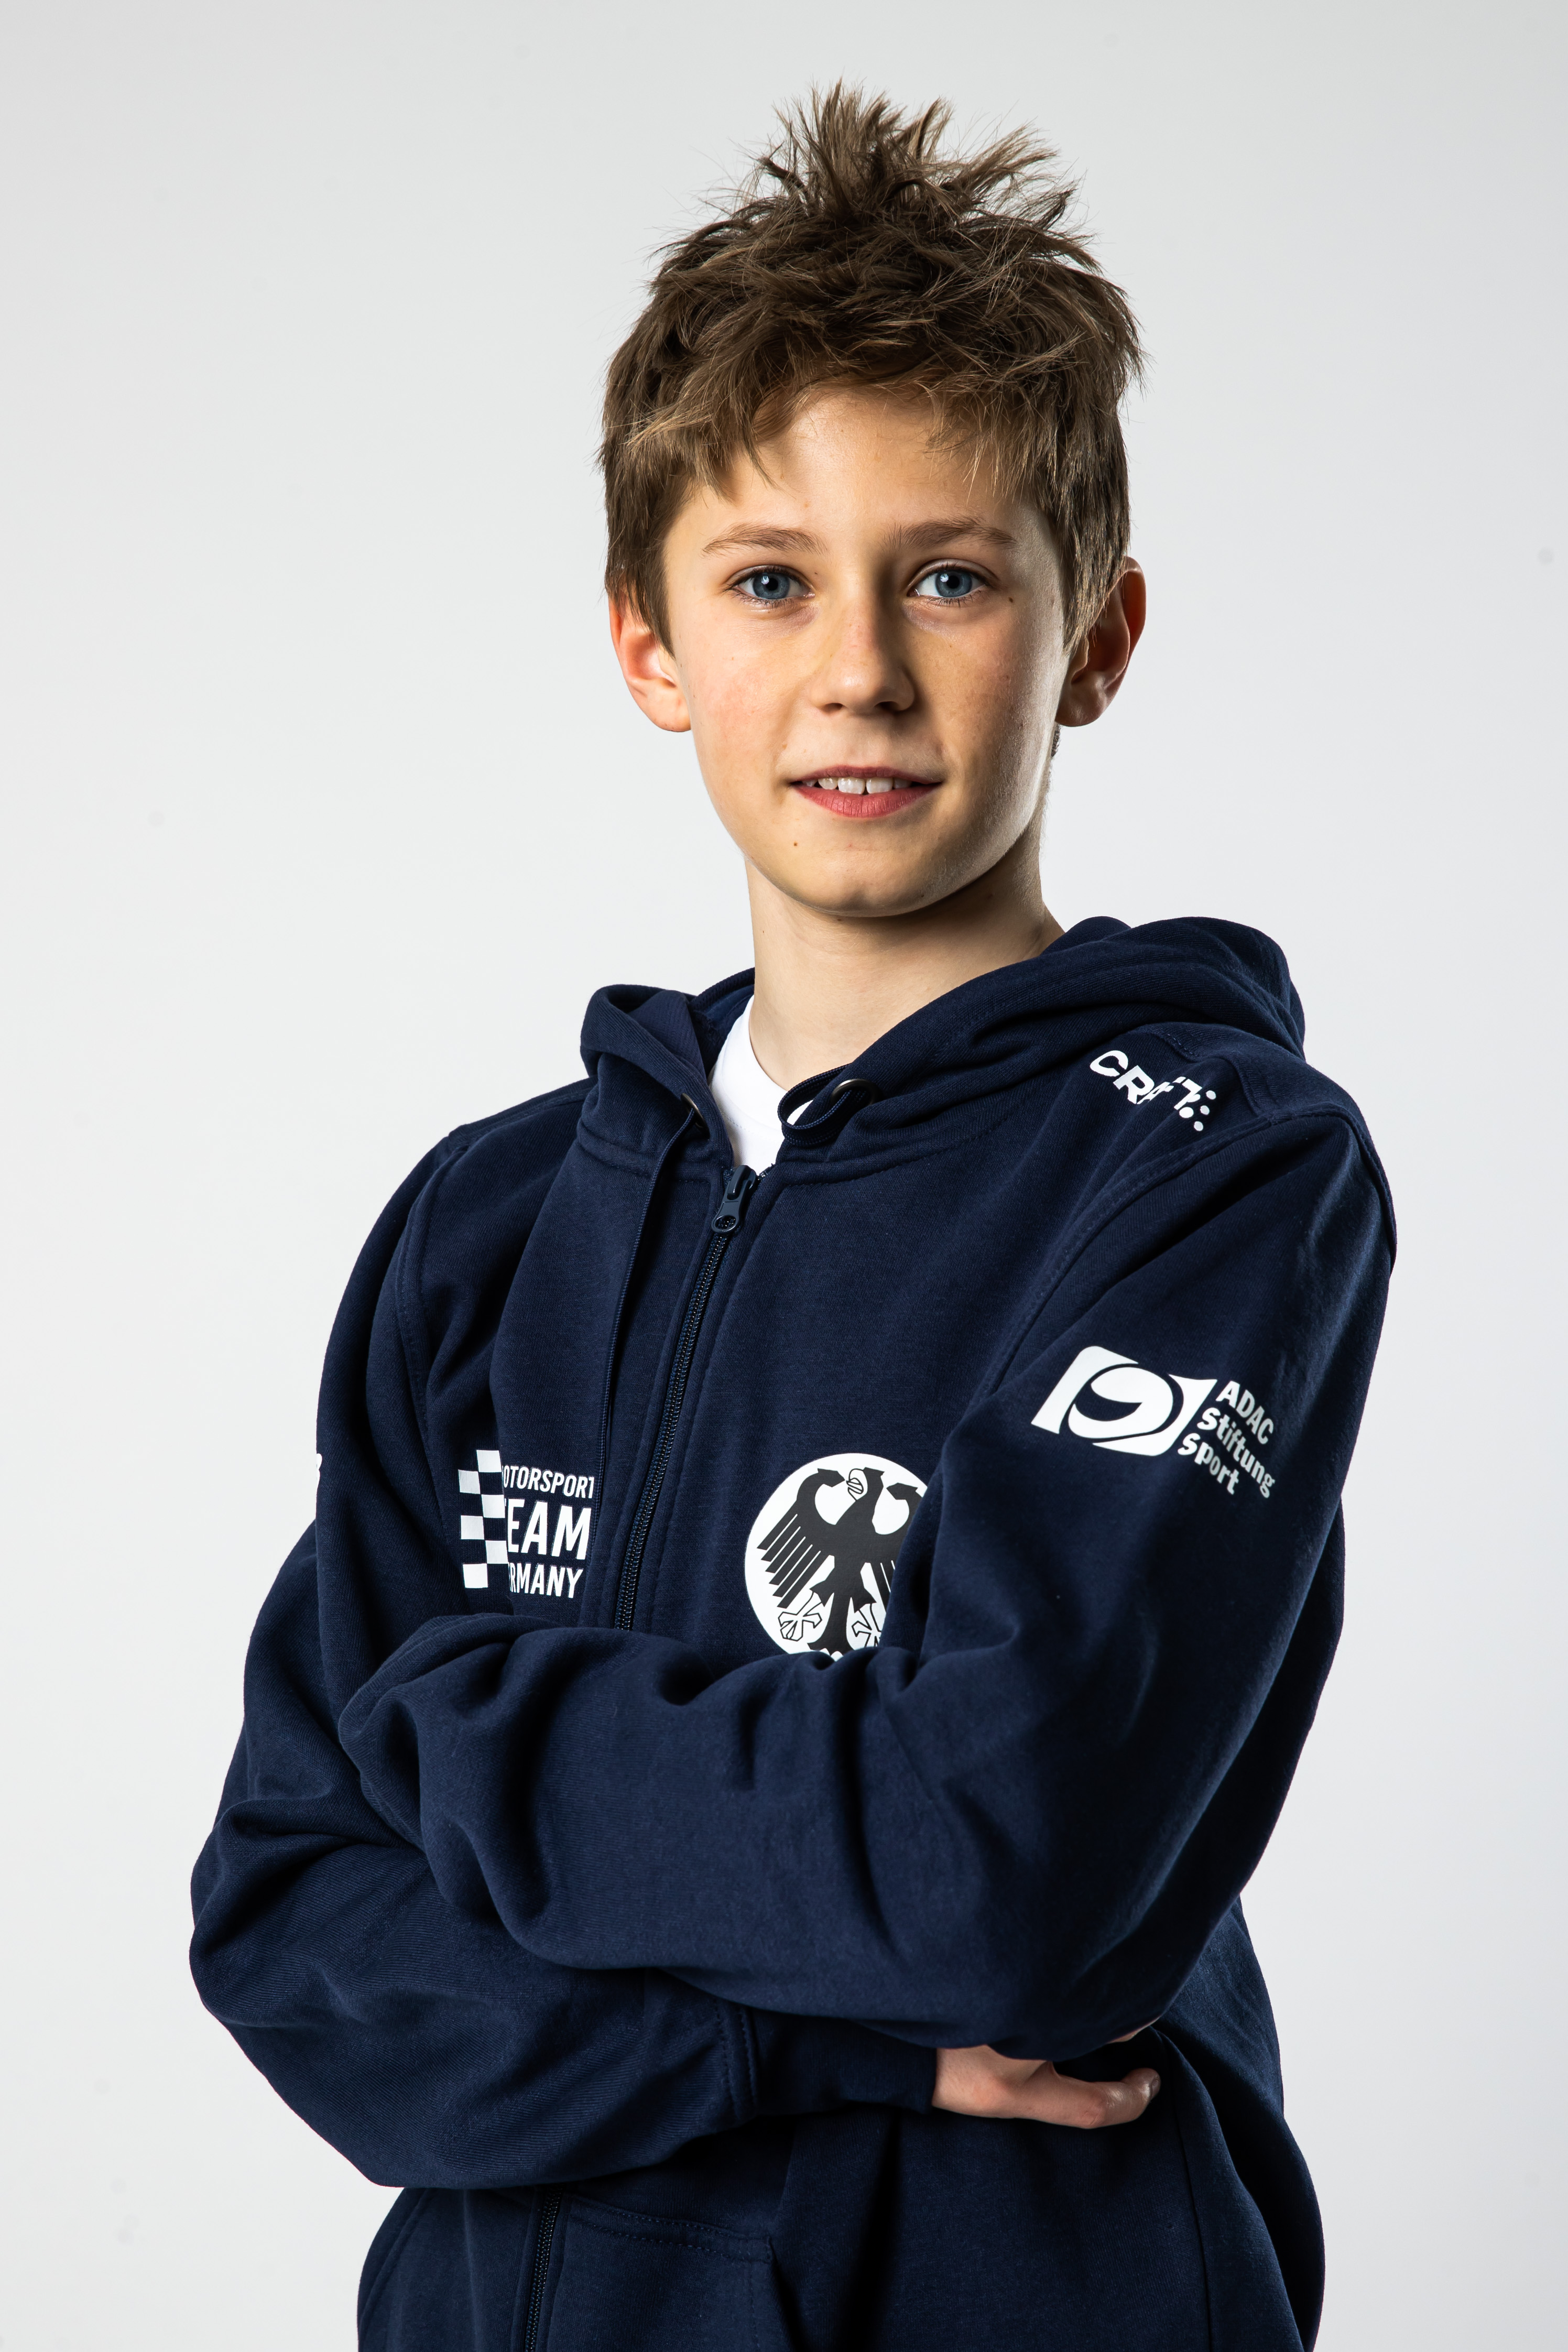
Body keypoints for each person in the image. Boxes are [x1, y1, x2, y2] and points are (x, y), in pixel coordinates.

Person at [191, 89, 1392, 2352]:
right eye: (768, 580)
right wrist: (812, 2043)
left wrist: (462, 1719)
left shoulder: (1211, 1167)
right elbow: (297, 1928)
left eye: (949, 576)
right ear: (648, 644)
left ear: (1098, 635)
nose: (859, 667)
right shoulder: (490, 1222)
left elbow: (1005, 1877)